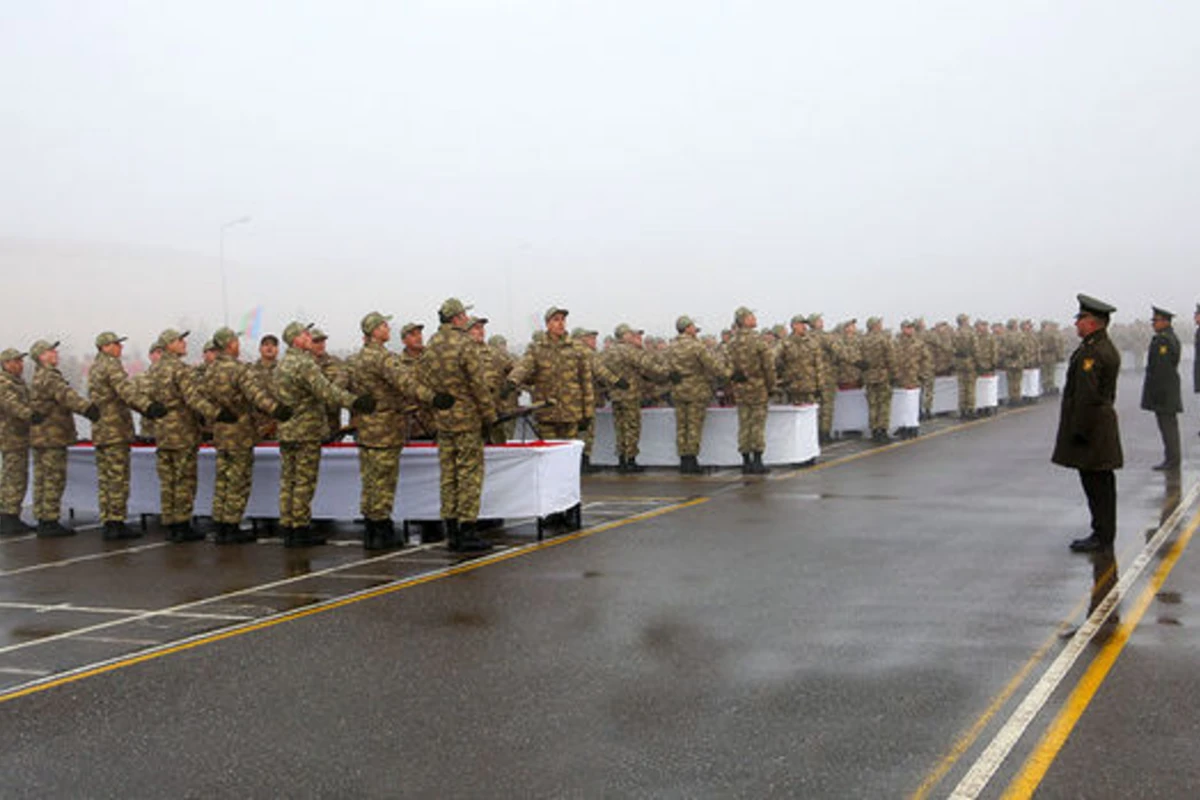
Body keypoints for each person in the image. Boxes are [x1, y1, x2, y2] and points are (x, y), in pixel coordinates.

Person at [276, 321, 374, 548]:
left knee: (288, 481)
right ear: (295, 339)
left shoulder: (282, 364)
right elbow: (326, 392)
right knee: (303, 481)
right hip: (305, 430)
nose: (309, 336)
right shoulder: (305, 364)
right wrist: (355, 401)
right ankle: (300, 528)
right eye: (305, 334)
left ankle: (288, 526)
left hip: (287, 430)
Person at [354, 311, 440, 550]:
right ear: (374, 331)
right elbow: (406, 384)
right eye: (383, 325)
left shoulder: (359, 357)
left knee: (370, 481)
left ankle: (371, 530)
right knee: (383, 481)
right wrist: (433, 397)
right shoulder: (384, 358)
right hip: (385, 428)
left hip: (367, 428)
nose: (387, 328)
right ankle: (382, 532)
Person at [204, 326, 293, 544]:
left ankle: (221, 525)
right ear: (229, 344)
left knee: (222, 479)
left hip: (220, 431)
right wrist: (276, 410)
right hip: (240, 432)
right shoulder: (239, 369)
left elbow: (200, 399)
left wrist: (215, 413)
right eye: (236, 341)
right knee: (238, 480)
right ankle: (232, 525)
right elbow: (255, 395)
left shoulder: (210, 370)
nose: (238, 345)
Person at [420, 298, 496, 553]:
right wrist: (489, 416)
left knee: (448, 476)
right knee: (468, 475)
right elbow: (478, 384)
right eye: (464, 314)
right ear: (456, 318)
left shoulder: (431, 344)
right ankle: (467, 530)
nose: (466, 318)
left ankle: (451, 529)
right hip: (466, 419)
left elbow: (424, 381)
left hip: (443, 419)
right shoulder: (465, 344)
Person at [1052, 294, 1123, 553]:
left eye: (1081, 319)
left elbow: (1087, 397)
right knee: (1099, 483)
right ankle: (1102, 532)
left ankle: (1102, 535)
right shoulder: (1097, 347)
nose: (1077, 324)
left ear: (1094, 323)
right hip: (1098, 425)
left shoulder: (1094, 353)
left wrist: (1079, 430)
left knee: (1097, 484)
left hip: (1092, 428)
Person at [88, 331, 167, 540]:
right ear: (105, 347)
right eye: (116, 344)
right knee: (117, 478)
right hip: (115, 431)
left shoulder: (95, 367)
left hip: (101, 430)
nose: (120, 348)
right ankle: (116, 523)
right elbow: (126, 391)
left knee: (106, 479)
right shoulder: (111, 365)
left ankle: (108, 520)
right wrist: (148, 407)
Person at [147, 329, 223, 542]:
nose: (183, 343)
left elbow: (143, 396)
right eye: (179, 340)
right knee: (184, 480)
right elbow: (193, 399)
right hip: (181, 431)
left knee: (168, 480)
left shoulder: (154, 370)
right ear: (169, 345)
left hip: (162, 431)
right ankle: (182, 524)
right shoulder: (180, 369)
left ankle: (170, 522)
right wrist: (216, 414)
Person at [28, 339, 99, 536]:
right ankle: (49, 520)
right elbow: (66, 395)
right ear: (41, 356)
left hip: (41, 436)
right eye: (51, 351)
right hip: (52, 436)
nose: (55, 354)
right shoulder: (50, 377)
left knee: (42, 478)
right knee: (53, 478)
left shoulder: (38, 376)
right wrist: (88, 409)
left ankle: (43, 517)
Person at [508, 306, 595, 440]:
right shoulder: (537, 348)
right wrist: (512, 381)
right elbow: (524, 366)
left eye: (563, 319)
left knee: (568, 453)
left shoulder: (577, 348)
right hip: (546, 412)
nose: (561, 323)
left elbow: (586, 381)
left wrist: (588, 413)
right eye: (556, 320)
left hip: (571, 413)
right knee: (549, 454)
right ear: (548, 324)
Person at [667, 315, 728, 473]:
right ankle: (692, 461)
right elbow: (712, 365)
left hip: (678, 390)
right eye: (693, 327)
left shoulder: (671, 346)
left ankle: (683, 460)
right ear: (687, 328)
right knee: (694, 426)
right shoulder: (697, 346)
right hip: (696, 390)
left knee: (681, 426)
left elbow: (662, 366)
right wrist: (728, 373)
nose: (695, 330)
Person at [604, 323, 668, 473]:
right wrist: (665, 373)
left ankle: (621, 459)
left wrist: (611, 383)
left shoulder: (607, 353)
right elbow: (646, 365)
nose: (633, 336)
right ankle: (631, 461)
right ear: (624, 335)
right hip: (630, 395)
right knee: (632, 427)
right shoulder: (629, 351)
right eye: (630, 334)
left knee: (620, 428)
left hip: (615, 395)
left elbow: (601, 371)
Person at [726, 306, 776, 474]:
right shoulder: (758, 340)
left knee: (744, 424)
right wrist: (771, 386)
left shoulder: (731, 342)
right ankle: (758, 461)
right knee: (757, 425)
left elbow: (726, 366)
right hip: (757, 387)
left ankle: (746, 461)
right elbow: (768, 367)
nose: (754, 318)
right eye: (751, 316)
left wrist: (733, 378)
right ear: (744, 320)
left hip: (740, 389)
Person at [0, 348, 38, 535]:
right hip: (11, 436)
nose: (20, 365)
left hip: (19, 435)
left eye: (21, 361)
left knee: (16, 476)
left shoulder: (17, 381)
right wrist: (31, 415)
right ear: (6, 364)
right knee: (13, 477)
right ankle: (9, 517)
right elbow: (11, 404)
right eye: (16, 361)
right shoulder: (4, 382)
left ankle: (10, 515)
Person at [1140, 306, 1182, 471]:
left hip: (1164, 391)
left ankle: (1172, 459)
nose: (1153, 324)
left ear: (1165, 321)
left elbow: (1162, 369)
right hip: (1167, 390)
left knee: (1168, 427)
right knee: (1168, 426)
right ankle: (1172, 458)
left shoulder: (1163, 340)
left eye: (1156, 321)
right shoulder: (1168, 337)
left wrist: (1158, 393)